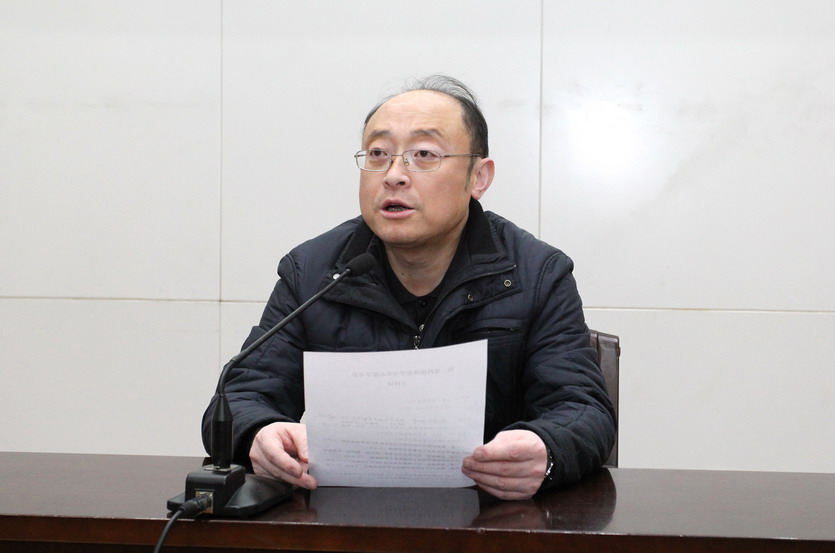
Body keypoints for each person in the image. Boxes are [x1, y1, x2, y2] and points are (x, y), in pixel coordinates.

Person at [202, 75, 616, 501]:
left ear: (478, 177)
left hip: (492, 515)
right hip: (344, 517)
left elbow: (584, 411)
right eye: (378, 154)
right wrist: (258, 433)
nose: (394, 175)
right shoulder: (313, 273)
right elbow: (239, 396)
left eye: (424, 154)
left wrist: (545, 449)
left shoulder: (536, 274)